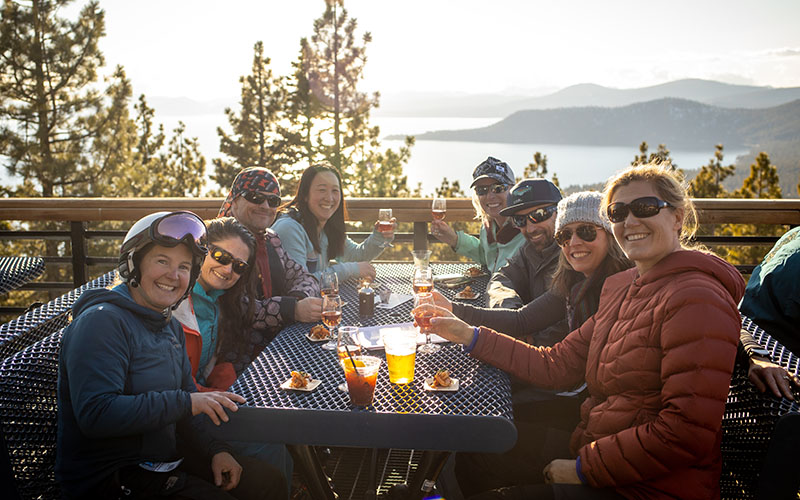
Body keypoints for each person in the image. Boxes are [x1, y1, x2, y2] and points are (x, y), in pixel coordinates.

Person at [418, 162, 745, 499]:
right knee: (475, 451)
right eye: (618, 212)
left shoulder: (695, 298)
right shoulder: (624, 288)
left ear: (677, 217)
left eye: (645, 208)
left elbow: (685, 434)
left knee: (480, 447)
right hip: (596, 441)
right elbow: (556, 364)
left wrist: (581, 468)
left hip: (646, 486)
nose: (630, 221)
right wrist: (467, 334)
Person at [56, 211, 287, 500]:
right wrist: (185, 402)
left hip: (161, 462)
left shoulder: (168, 325)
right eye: (162, 261)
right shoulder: (102, 322)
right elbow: (97, 414)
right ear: (133, 264)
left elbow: (188, 403)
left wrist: (217, 449)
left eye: (184, 266)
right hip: (114, 477)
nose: (173, 275)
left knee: (268, 482)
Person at [438, 191, 633, 496]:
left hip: (583, 420)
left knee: (474, 439)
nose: (573, 243)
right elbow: (523, 321)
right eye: (565, 237)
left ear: (611, 235)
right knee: (472, 431)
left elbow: (557, 367)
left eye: (585, 232)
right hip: (582, 408)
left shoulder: (618, 294)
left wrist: (470, 335)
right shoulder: (573, 282)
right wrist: (454, 311)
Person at [173, 217, 293, 490]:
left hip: (200, 400)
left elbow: (206, 363)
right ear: (201, 249)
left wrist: (226, 381)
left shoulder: (216, 301)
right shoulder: (177, 299)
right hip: (180, 416)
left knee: (277, 425)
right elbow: (175, 381)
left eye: (239, 265)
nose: (228, 269)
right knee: (269, 441)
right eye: (220, 256)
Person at [218, 167, 321, 372]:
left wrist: (298, 299)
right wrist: (293, 309)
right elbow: (233, 307)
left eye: (273, 201)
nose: (265, 206)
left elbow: (303, 276)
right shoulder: (221, 241)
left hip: (277, 348)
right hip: (236, 362)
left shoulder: (270, 238)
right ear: (235, 200)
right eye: (255, 197)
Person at [271, 163, 394, 282]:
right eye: (322, 190)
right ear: (305, 195)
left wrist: (378, 237)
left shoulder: (325, 227)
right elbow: (301, 283)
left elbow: (355, 256)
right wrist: (349, 270)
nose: (329, 198)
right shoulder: (289, 228)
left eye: (335, 191)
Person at [485, 178, 567, 346]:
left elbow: (571, 322)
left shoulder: (575, 253)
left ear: (559, 212)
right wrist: (510, 313)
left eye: (538, 215)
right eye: (520, 220)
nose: (530, 228)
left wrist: (526, 336)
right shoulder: (529, 250)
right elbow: (500, 279)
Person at [430, 157, 525, 273]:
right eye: (482, 190)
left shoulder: (526, 227)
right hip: (496, 288)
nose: (490, 196)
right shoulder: (489, 226)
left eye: (498, 188)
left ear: (513, 190)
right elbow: (486, 256)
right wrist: (455, 239)